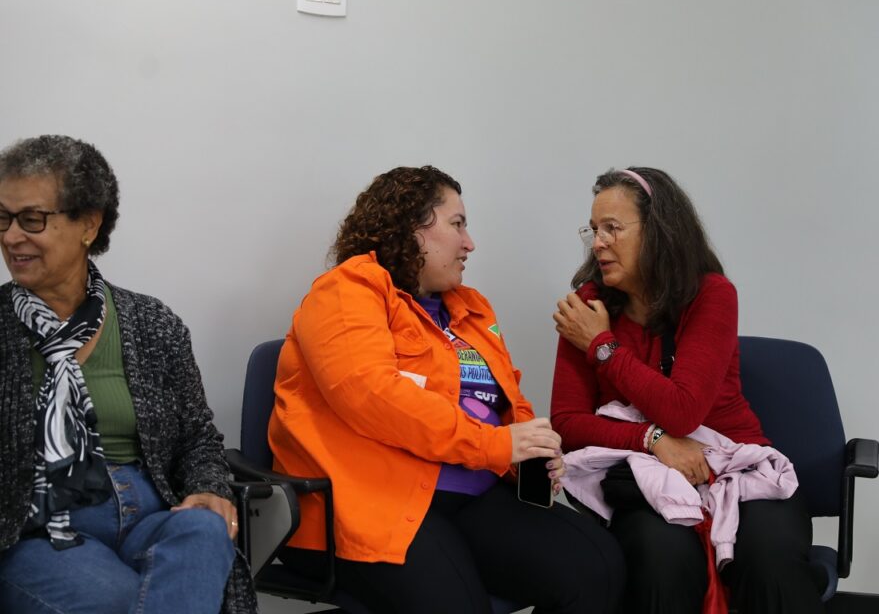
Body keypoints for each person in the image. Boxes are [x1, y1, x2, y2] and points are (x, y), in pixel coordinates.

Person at [268, 165, 624, 613]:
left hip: (471, 492)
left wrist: (531, 449)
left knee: (598, 567)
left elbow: (506, 397)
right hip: (375, 502)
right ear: (412, 227)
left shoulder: (470, 307)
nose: (469, 242)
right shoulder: (346, 291)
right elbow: (374, 396)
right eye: (457, 224)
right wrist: (495, 444)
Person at [0, 135, 256, 614]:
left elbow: (197, 436)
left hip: (148, 512)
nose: (12, 236)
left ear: (88, 225)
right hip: (41, 525)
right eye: (3, 218)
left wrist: (208, 488)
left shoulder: (152, 323)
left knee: (205, 529)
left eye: (32, 219)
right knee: (114, 597)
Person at [551, 167, 825, 613]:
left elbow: (683, 412)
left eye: (613, 229)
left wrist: (603, 346)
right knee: (661, 561)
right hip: (646, 480)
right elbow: (567, 424)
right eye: (594, 229)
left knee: (770, 562)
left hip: (738, 473)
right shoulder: (587, 308)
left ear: (658, 231)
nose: (598, 242)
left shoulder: (711, 295)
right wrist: (652, 441)